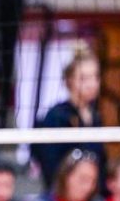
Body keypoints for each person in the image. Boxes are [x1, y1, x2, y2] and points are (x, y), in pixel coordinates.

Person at [33, 44, 106, 189]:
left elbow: (101, 162)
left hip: (92, 193)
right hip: (63, 194)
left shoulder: (95, 116)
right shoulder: (56, 116)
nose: (92, 84)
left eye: (95, 77)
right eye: (84, 78)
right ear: (69, 80)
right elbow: (50, 166)